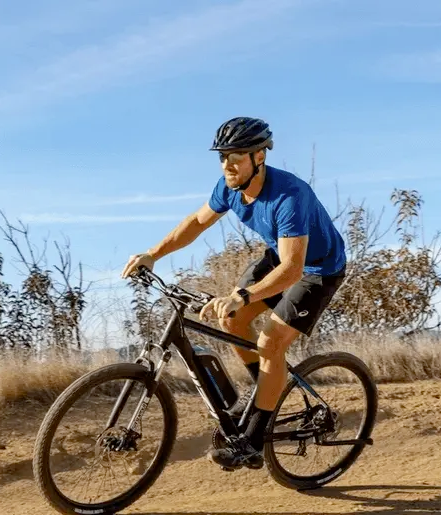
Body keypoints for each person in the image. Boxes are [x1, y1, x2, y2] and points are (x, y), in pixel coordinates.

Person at [121, 117, 347, 470]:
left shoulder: (289, 196)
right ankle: (264, 392)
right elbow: (196, 222)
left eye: (237, 155)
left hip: (318, 269)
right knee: (231, 318)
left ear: (260, 157)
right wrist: (153, 254)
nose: (228, 163)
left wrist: (243, 295)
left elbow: (292, 269)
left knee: (270, 342)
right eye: (223, 155)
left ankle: (254, 440)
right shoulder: (229, 186)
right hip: (279, 257)